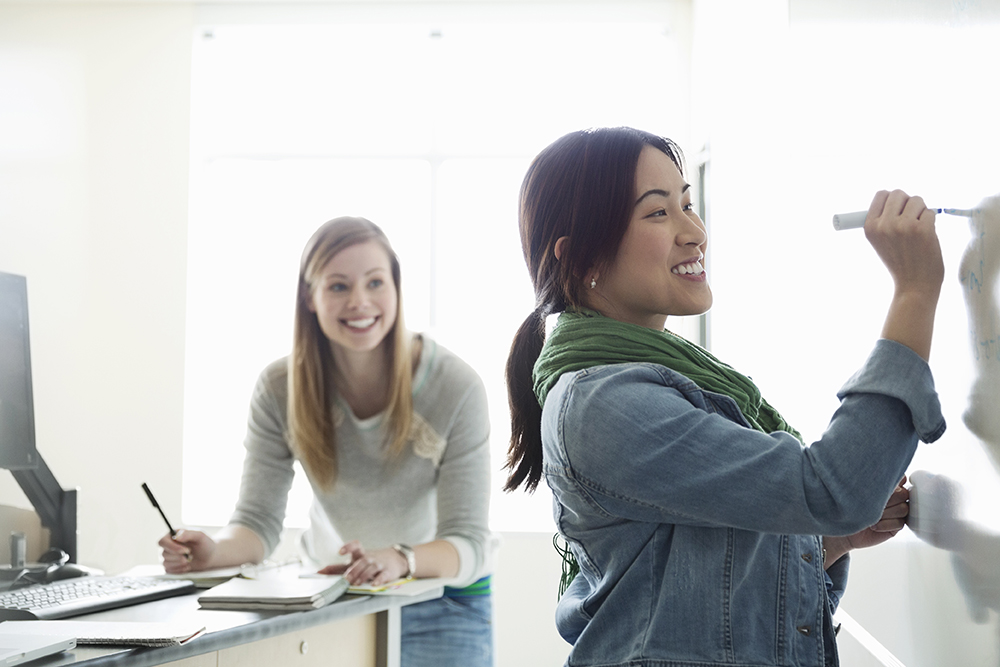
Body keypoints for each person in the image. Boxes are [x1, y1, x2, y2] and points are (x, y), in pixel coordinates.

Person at [504, 126, 945, 667]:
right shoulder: (603, 404)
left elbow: (692, 580)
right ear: (581, 260)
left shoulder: (665, 380)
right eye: (658, 213)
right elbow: (830, 489)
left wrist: (830, 543)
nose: (694, 232)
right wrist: (916, 292)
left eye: (687, 204)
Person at [160, 216, 495, 667]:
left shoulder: (456, 385)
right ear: (309, 296)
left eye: (375, 282)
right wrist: (213, 553)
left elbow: (469, 541)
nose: (360, 302)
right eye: (338, 286)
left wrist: (399, 559)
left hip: (443, 598)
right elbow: (257, 523)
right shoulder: (280, 388)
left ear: (396, 287)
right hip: (334, 594)